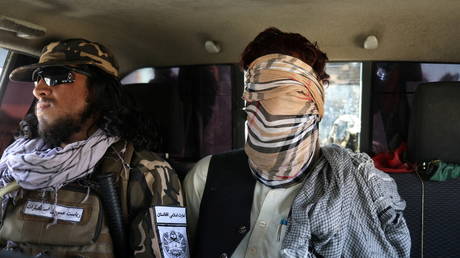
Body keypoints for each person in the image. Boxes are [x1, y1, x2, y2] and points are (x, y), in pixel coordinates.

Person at [184, 27, 411, 258]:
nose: (262, 108)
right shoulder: (206, 176)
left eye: (282, 95)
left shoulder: (346, 189)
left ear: (315, 104)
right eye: (254, 94)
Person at [0, 39, 188, 258]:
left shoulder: (145, 172)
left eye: (56, 76)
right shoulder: (13, 164)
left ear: (99, 91)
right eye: (37, 78)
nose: (39, 90)